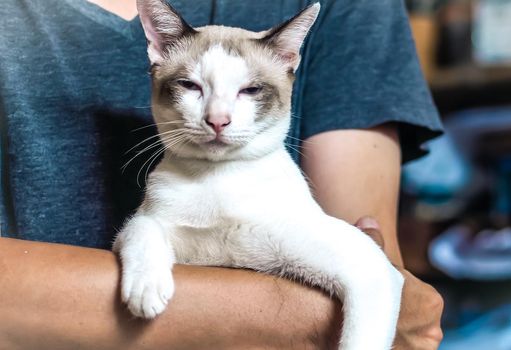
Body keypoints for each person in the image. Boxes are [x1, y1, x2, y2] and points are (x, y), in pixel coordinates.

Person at [0, 0, 444, 349]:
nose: (218, 116)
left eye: (251, 90)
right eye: (191, 86)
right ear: (157, 49)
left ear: (289, 60)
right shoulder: (167, 186)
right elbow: (149, 228)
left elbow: (382, 284)